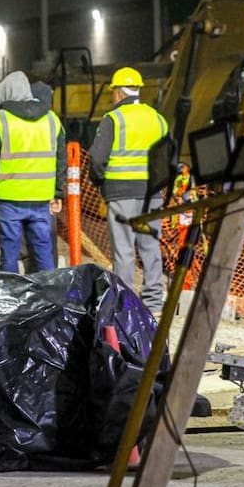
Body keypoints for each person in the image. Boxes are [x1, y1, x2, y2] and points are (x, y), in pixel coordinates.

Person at [88, 66, 169, 313]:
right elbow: (167, 157)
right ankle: (153, 302)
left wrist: (100, 181)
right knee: (150, 247)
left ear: (119, 93)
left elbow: (97, 159)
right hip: (151, 196)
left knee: (123, 252)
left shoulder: (113, 119)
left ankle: (125, 304)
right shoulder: (157, 118)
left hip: (121, 194)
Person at [0, 70, 66, 273]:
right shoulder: (52, 120)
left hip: (8, 199)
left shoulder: (0, 120)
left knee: (9, 254)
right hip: (41, 198)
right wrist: (57, 192)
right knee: (44, 252)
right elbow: (61, 160)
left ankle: (11, 297)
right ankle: (48, 297)